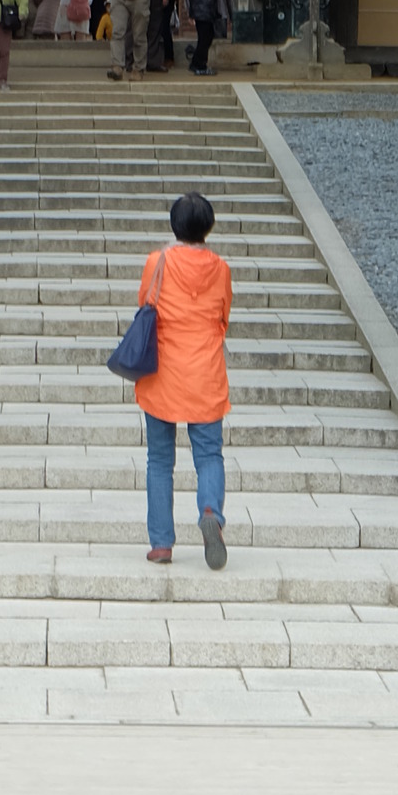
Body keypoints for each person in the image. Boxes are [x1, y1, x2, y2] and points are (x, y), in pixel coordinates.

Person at [129, 193, 232, 569]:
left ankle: (161, 543)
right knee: (208, 455)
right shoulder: (220, 269)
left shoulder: (157, 262)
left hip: (163, 374)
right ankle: (210, 512)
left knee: (159, 459)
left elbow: (146, 302)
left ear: (175, 225)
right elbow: (223, 317)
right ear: (208, 227)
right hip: (205, 373)